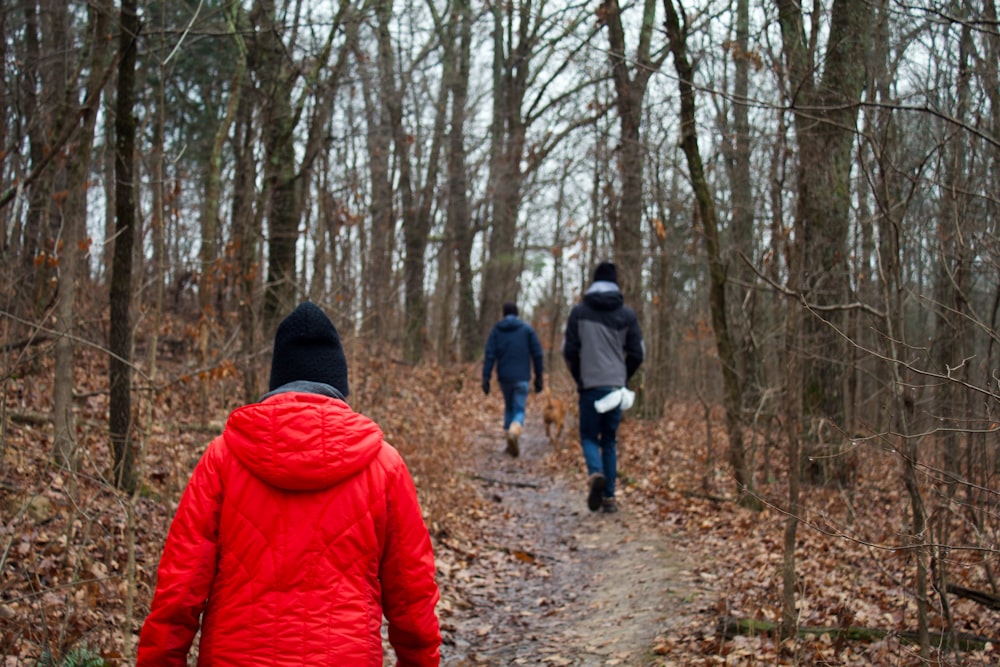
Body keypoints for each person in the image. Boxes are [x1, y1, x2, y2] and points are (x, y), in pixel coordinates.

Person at [136, 301, 441, 666]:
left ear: (276, 381)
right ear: (339, 384)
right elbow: (412, 597)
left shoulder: (222, 459)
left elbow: (178, 591)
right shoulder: (384, 466)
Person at [563, 261, 644, 513]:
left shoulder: (579, 312)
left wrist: (580, 377)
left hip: (590, 385)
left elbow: (569, 350)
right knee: (609, 440)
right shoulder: (627, 315)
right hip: (615, 387)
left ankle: (595, 473)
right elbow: (638, 353)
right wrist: (623, 376)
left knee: (588, 436)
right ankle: (609, 498)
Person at [482, 301, 544, 457]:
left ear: (503, 313)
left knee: (509, 407)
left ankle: (509, 440)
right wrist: (539, 378)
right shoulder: (527, 330)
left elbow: (490, 355)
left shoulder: (497, 330)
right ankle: (514, 431)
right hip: (522, 376)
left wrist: (486, 377)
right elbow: (537, 354)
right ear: (517, 314)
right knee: (519, 409)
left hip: (505, 377)